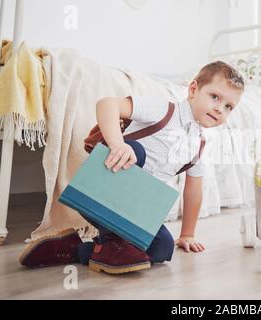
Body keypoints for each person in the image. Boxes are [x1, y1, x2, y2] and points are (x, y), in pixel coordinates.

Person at [19, 61, 245, 274]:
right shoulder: (164, 110)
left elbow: (193, 190)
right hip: (99, 185)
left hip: (132, 207)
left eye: (228, 107)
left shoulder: (199, 145)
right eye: (214, 97)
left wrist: (187, 234)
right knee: (136, 151)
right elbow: (107, 103)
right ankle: (116, 240)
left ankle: (79, 249)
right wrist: (118, 144)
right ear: (193, 90)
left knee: (162, 249)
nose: (219, 109)